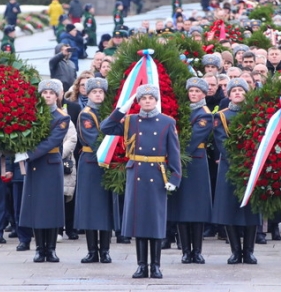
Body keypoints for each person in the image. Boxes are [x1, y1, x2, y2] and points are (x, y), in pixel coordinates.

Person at [101, 84, 182, 279]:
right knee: (139, 222)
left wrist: (175, 177)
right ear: (138, 102)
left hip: (157, 173)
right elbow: (106, 127)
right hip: (136, 172)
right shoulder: (130, 121)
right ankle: (141, 265)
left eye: (150, 98)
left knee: (154, 222)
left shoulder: (166, 122)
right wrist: (122, 109)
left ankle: (155, 265)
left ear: (156, 100)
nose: (147, 101)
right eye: (143, 98)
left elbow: (174, 152)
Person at [15, 80, 70, 263]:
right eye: (44, 92)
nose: (47, 95)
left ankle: (51, 248)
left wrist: (28, 154)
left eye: (51, 93)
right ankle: (39, 248)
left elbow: (52, 141)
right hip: (36, 166)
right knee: (37, 207)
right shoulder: (31, 115)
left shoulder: (62, 117)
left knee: (52, 208)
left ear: (57, 96)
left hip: (50, 163)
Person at [212, 78, 261, 264]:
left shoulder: (255, 114)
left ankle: (248, 250)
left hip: (251, 165)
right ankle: (235, 250)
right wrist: (237, 159)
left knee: (251, 208)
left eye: (241, 90)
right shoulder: (222, 116)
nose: (238, 93)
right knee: (229, 208)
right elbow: (222, 141)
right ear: (228, 94)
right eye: (234, 90)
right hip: (230, 165)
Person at [168, 78, 213, 264]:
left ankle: (197, 250)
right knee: (181, 207)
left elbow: (194, 138)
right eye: (191, 91)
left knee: (196, 209)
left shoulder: (205, 114)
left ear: (204, 94)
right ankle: (186, 250)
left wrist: (175, 154)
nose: (193, 94)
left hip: (195, 163)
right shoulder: (183, 111)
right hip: (180, 162)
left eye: (197, 91)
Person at [74, 77, 118, 264]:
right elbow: (93, 138)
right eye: (94, 92)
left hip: (108, 163)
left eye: (101, 92)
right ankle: (92, 250)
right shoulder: (86, 114)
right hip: (91, 162)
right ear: (88, 94)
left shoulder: (111, 113)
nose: (98, 94)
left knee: (106, 207)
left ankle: (105, 250)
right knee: (90, 208)